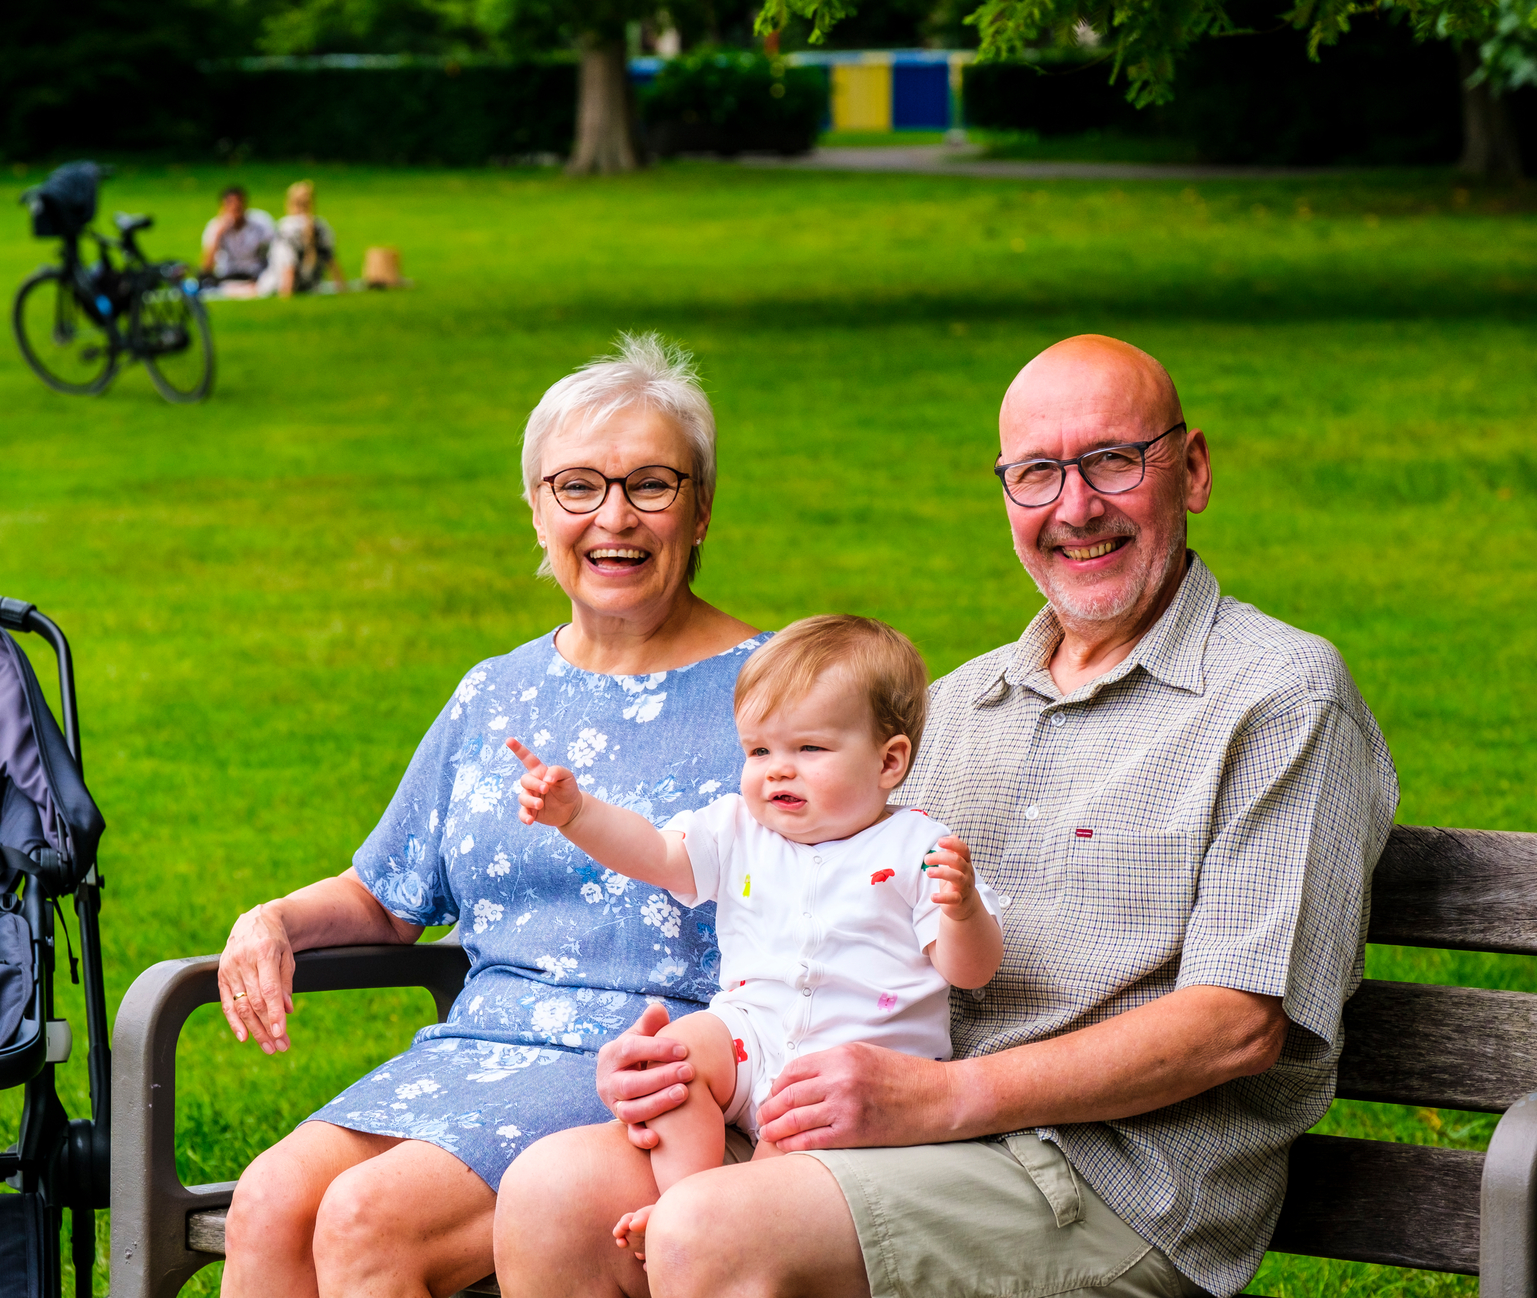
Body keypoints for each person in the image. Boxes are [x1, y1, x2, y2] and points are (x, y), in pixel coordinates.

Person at [494, 333, 1400, 1298]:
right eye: (1037, 474)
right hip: (889, 1129)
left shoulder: (1279, 695)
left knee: (714, 1231)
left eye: (1113, 461)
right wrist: (679, 1064)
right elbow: (808, 897)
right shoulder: (959, 707)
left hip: (1103, 1183)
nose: (1076, 506)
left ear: (1194, 468)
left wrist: (943, 1097)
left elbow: (1239, 1026)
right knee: (552, 1194)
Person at [213, 333, 767, 1298]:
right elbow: (386, 895)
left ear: (703, 507)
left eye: (651, 484)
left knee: (365, 1218)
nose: (614, 518)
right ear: (538, 510)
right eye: (579, 487)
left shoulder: (769, 689)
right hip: (477, 1048)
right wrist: (272, 920)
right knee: (268, 1203)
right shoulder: (494, 692)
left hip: (656, 1066)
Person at [507, 614, 1002, 1256]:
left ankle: (721, 1225)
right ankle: (688, 1194)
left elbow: (970, 971)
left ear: (889, 761)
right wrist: (578, 815)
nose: (777, 772)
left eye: (809, 750)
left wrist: (962, 914)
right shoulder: (739, 826)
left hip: (853, 1070)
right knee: (674, 1058)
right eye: (759, 751)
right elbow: (656, 855)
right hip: (750, 1036)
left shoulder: (919, 848)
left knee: (794, 1153)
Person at [261, 179, 344, 298]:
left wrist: (286, 296)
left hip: (278, 286)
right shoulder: (321, 226)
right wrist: (343, 290)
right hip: (313, 286)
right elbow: (331, 261)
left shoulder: (286, 226)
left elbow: (287, 265)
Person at [201, 185, 275, 293]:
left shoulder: (261, 222)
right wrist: (217, 236)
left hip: (255, 275)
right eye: (231, 205)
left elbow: (276, 251)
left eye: (238, 206)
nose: (235, 209)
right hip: (227, 276)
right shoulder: (215, 227)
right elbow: (206, 269)